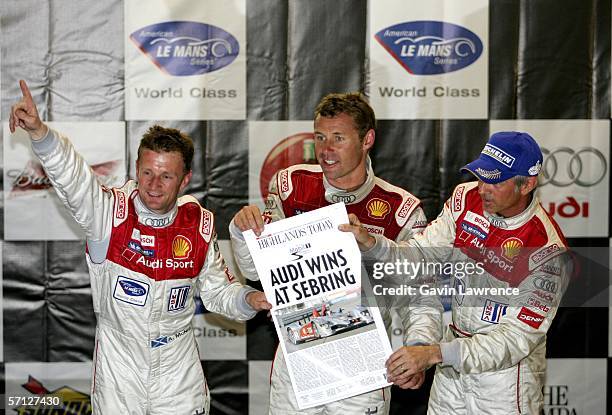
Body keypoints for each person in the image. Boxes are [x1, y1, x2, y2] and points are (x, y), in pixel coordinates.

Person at [9, 80, 272, 415]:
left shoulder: (198, 224)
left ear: (185, 179)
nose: (153, 184)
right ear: (136, 169)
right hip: (120, 372)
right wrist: (41, 134)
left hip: (178, 374)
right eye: (147, 172)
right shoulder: (109, 213)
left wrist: (250, 299)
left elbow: (219, 293)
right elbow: (74, 179)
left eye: (166, 176)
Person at [230, 92, 442, 414]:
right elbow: (258, 272)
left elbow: (419, 294)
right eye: (320, 137)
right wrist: (244, 232)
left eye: (338, 138)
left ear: (367, 139)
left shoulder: (401, 209)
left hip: (363, 363)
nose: (326, 150)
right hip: (299, 356)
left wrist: (418, 347)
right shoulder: (291, 185)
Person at [341, 131, 571, 414]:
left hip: (506, 381)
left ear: (527, 184)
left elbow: (516, 339)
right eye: (481, 175)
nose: (483, 188)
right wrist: (371, 243)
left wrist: (435, 353)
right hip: (451, 369)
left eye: (495, 180)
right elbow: (421, 255)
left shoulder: (547, 250)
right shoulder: (465, 199)